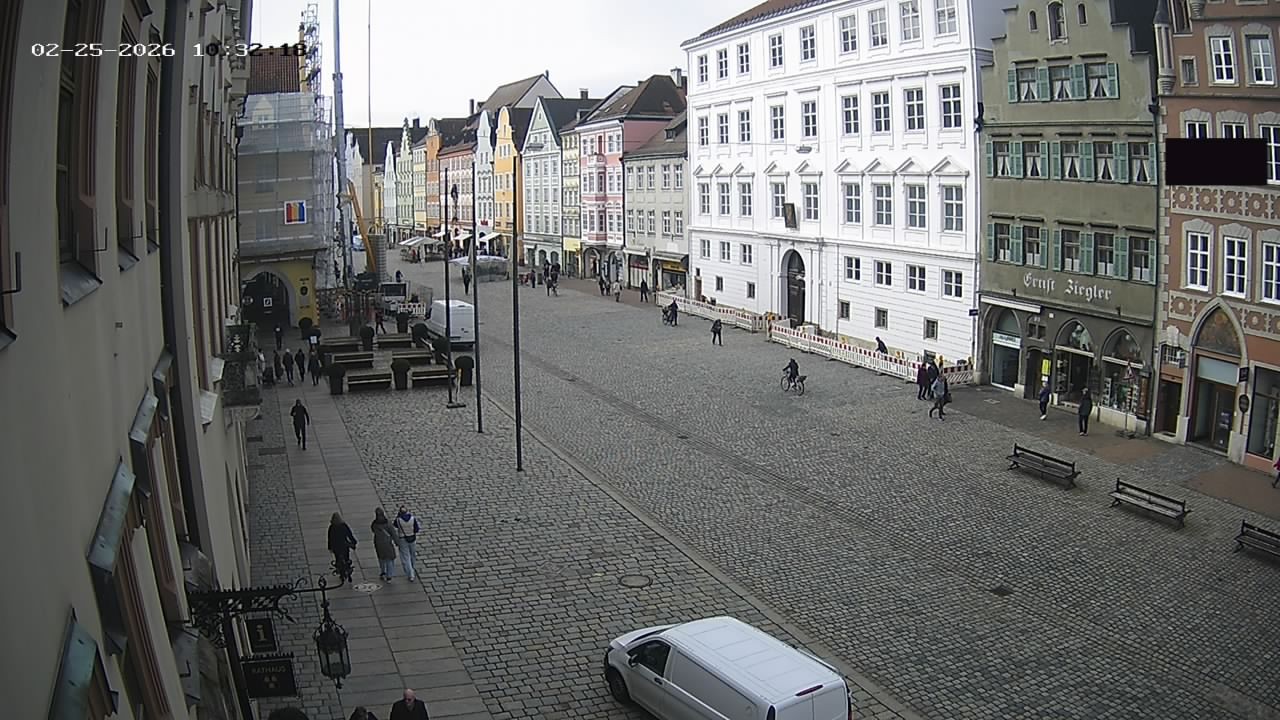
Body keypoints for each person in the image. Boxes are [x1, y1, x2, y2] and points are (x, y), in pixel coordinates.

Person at [393, 505, 420, 582]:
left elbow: (395, 525)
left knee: (406, 557)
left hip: (403, 539)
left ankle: (410, 574)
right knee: (412, 554)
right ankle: (412, 567)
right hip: (412, 538)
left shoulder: (398, 520)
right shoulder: (412, 519)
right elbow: (416, 529)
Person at [327, 512, 357, 582]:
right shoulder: (343, 525)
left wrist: (330, 547)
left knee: (338, 559)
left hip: (336, 547)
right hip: (344, 545)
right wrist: (353, 541)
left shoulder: (332, 527)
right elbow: (349, 534)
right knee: (346, 559)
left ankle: (340, 572)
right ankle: (348, 572)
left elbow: (330, 538)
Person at [371, 508, 398, 582]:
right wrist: (397, 542)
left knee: (381, 558)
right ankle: (389, 575)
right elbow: (393, 533)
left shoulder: (374, 524)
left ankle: (383, 572)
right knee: (389, 559)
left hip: (378, 543)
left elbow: (373, 530)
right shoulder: (388, 524)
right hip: (387, 543)